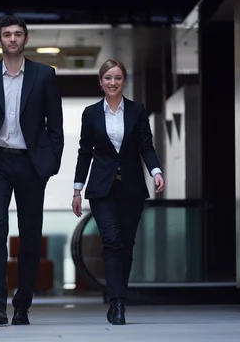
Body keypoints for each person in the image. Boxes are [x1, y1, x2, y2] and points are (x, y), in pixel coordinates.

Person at [0, 15, 64, 325]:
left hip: (30, 163)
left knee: (30, 237)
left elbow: (56, 126)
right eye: (7, 34)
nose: (12, 39)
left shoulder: (44, 75)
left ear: (25, 39)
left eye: (18, 34)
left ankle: (22, 304)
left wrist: (49, 165)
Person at [71, 59, 164, 325]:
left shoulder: (136, 111)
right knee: (111, 242)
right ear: (100, 82)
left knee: (126, 245)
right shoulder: (90, 114)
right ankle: (117, 302)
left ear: (124, 82)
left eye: (118, 78)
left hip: (132, 186)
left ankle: (118, 297)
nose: (113, 82)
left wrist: (156, 171)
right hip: (101, 188)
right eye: (108, 78)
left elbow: (146, 145)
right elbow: (84, 152)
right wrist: (77, 189)